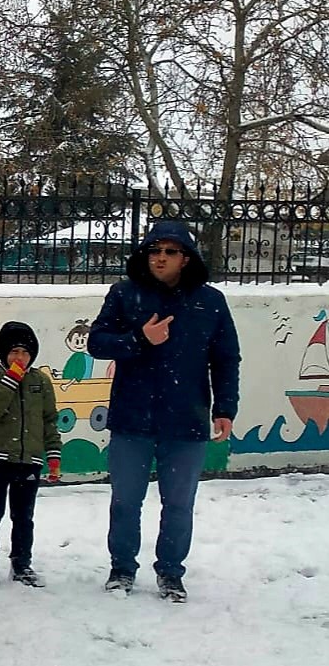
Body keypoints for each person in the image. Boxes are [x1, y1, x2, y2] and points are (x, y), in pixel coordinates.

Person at [89, 221, 240, 602]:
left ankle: (171, 572)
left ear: (186, 258)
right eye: (155, 250)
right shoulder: (125, 294)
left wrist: (225, 408)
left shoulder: (211, 301)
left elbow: (225, 358)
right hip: (132, 418)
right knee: (125, 499)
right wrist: (140, 338)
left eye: (170, 252)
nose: (160, 258)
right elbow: (97, 342)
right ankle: (122, 568)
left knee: (179, 503)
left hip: (186, 420)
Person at [0, 321, 62, 589]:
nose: (19, 358)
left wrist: (53, 454)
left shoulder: (41, 381)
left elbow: (49, 420)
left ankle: (22, 563)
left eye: (24, 352)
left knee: (24, 516)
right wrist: (10, 379)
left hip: (29, 460)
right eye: (13, 352)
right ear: (3, 353)